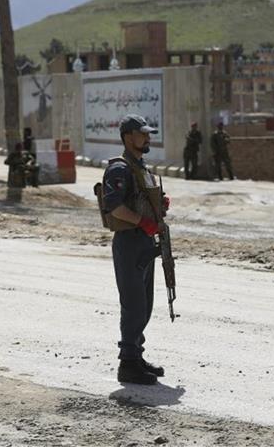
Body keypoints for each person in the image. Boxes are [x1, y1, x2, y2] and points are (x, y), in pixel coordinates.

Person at [101, 114, 170, 385]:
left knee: (145, 304)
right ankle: (127, 364)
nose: (147, 138)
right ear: (128, 137)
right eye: (142, 134)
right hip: (129, 241)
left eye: (148, 134)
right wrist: (143, 221)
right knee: (133, 305)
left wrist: (159, 206)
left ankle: (136, 355)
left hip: (144, 240)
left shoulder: (140, 167)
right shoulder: (119, 168)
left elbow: (143, 198)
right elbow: (114, 207)